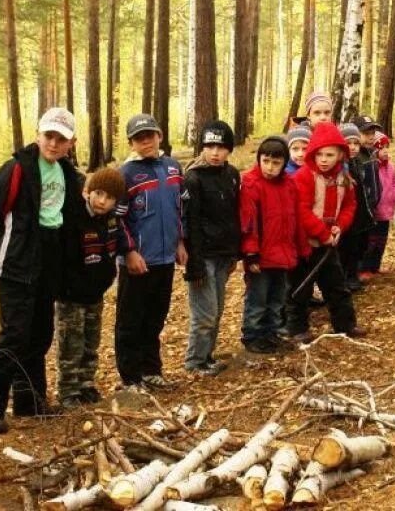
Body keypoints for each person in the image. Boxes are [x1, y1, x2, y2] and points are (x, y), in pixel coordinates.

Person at [0, 107, 84, 433]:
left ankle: (30, 401)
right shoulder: (16, 169)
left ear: (70, 143)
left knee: (40, 334)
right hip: (17, 264)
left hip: (49, 263)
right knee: (14, 336)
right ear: (38, 135)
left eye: (61, 138)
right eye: (49, 136)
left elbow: (68, 220)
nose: (53, 143)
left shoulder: (66, 173)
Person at [115, 114, 188, 392]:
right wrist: (130, 251)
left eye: (150, 135)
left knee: (155, 317)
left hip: (166, 258)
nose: (146, 141)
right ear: (131, 143)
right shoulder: (126, 174)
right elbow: (119, 219)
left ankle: (151, 370)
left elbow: (179, 210)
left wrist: (180, 243)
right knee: (130, 320)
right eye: (139, 138)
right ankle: (130, 378)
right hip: (138, 262)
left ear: (159, 135)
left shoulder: (172, 167)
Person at [56, 167, 127, 409]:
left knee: (90, 341)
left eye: (109, 198)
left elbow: (113, 251)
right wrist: (67, 286)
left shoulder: (110, 220)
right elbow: (65, 258)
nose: (102, 201)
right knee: (71, 343)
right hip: (71, 296)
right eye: (98, 194)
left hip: (96, 294)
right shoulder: (74, 217)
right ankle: (68, 390)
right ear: (88, 192)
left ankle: (86, 383)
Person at [288, 122, 366, 342]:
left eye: (329, 154)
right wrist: (322, 233)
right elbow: (301, 210)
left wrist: (339, 227)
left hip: (329, 243)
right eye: (319, 154)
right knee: (299, 288)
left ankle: (345, 324)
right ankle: (297, 329)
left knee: (336, 286)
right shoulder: (304, 177)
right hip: (303, 244)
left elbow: (350, 205)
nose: (323, 159)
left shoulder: (344, 178)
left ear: (340, 154)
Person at [182, 120, 241, 376]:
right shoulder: (192, 178)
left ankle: (206, 357)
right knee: (204, 314)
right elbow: (189, 222)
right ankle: (195, 362)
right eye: (210, 146)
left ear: (229, 149)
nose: (215, 152)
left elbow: (234, 215)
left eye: (221, 147)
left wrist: (234, 253)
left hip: (223, 254)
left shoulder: (232, 175)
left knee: (216, 311)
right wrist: (193, 264)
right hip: (202, 256)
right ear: (202, 147)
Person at [239, 136, 303, 354]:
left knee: (277, 298)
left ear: (284, 163)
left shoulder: (289, 185)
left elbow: (294, 220)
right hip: (261, 255)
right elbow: (248, 222)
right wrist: (251, 253)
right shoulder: (251, 183)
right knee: (257, 298)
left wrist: (299, 248)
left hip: (283, 253)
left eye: (276, 163)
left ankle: (271, 332)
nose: (269, 167)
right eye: (265, 161)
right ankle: (252, 335)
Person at [339, 123, 376, 292]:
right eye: (349, 143)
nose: (353, 148)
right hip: (344, 215)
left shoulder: (357, 162)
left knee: (357, 246)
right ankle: (343, 278)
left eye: (355, 143)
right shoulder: (339, 166)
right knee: (344, 248)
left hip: (359, 212)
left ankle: (352, 275)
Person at [362, 134, 395, 275]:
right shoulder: (372, 167)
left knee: (381, 241)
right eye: (380, 148)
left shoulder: (389, 167)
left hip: (387, 211)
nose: (384, 151)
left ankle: (375, 266)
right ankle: (365, 268)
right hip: (375, 211)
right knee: (371, 241)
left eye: (386, 147)